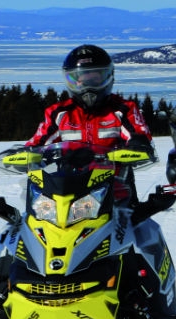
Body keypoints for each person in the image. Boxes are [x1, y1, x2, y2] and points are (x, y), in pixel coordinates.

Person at [25, 44, 154, 207]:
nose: (87, 87)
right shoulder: (59, 113)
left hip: (115, 192)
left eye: (94, 80)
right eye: (80, 80)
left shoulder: (123, 109)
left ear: (108, 77)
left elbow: (139, 134)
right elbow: (37, 143)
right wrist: (25, 154)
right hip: (66, 193)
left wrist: (137, 145)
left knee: (137, 227)